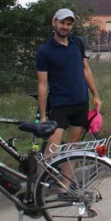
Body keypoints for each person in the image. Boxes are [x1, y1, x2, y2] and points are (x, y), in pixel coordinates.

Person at [36, 8, 101, 154]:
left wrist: (96, 95)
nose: (65, 27)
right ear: (54, 22)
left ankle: (67, 178)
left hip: (81, 102)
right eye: (62, 23)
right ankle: (40, 176)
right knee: (51, 151)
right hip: (60, 105)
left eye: (69, 24)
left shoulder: (77, 43)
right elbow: (42, 84)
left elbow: (86, 69)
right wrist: (43, 116)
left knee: (73, 149)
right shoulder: (45, 51)